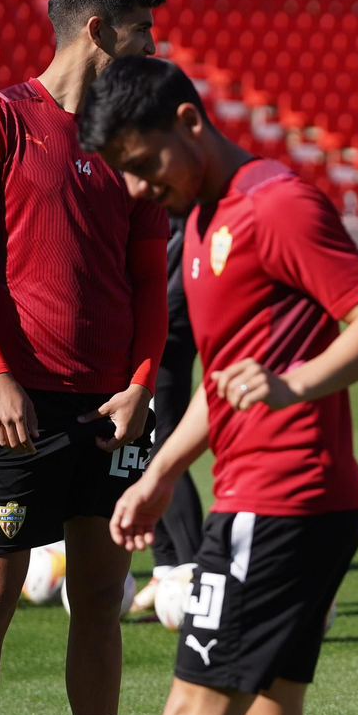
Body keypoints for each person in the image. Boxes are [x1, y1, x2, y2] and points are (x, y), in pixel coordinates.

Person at [81, 56, 358, 715]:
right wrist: (159, 473)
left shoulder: (275, 204)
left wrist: (298, 384)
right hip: (274, 497)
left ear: (191, 122)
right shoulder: (202, 224)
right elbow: (221, 381)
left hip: (284, 497)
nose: (145, 188)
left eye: (148, 165)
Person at [0, 0, 173, 715]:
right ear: (96, 29)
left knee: (100, 598)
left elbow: (145, 280)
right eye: (143, 31)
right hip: (21, 401)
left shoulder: (132, 134)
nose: (153, 46)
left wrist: (143, 381)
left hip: (111, 406)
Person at [152, 211, 204, 568]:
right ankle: (168, 570)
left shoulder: (169, 190)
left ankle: (193, 570)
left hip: (166, 329)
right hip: (164, 324)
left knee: (164, 447)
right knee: (148, 448)